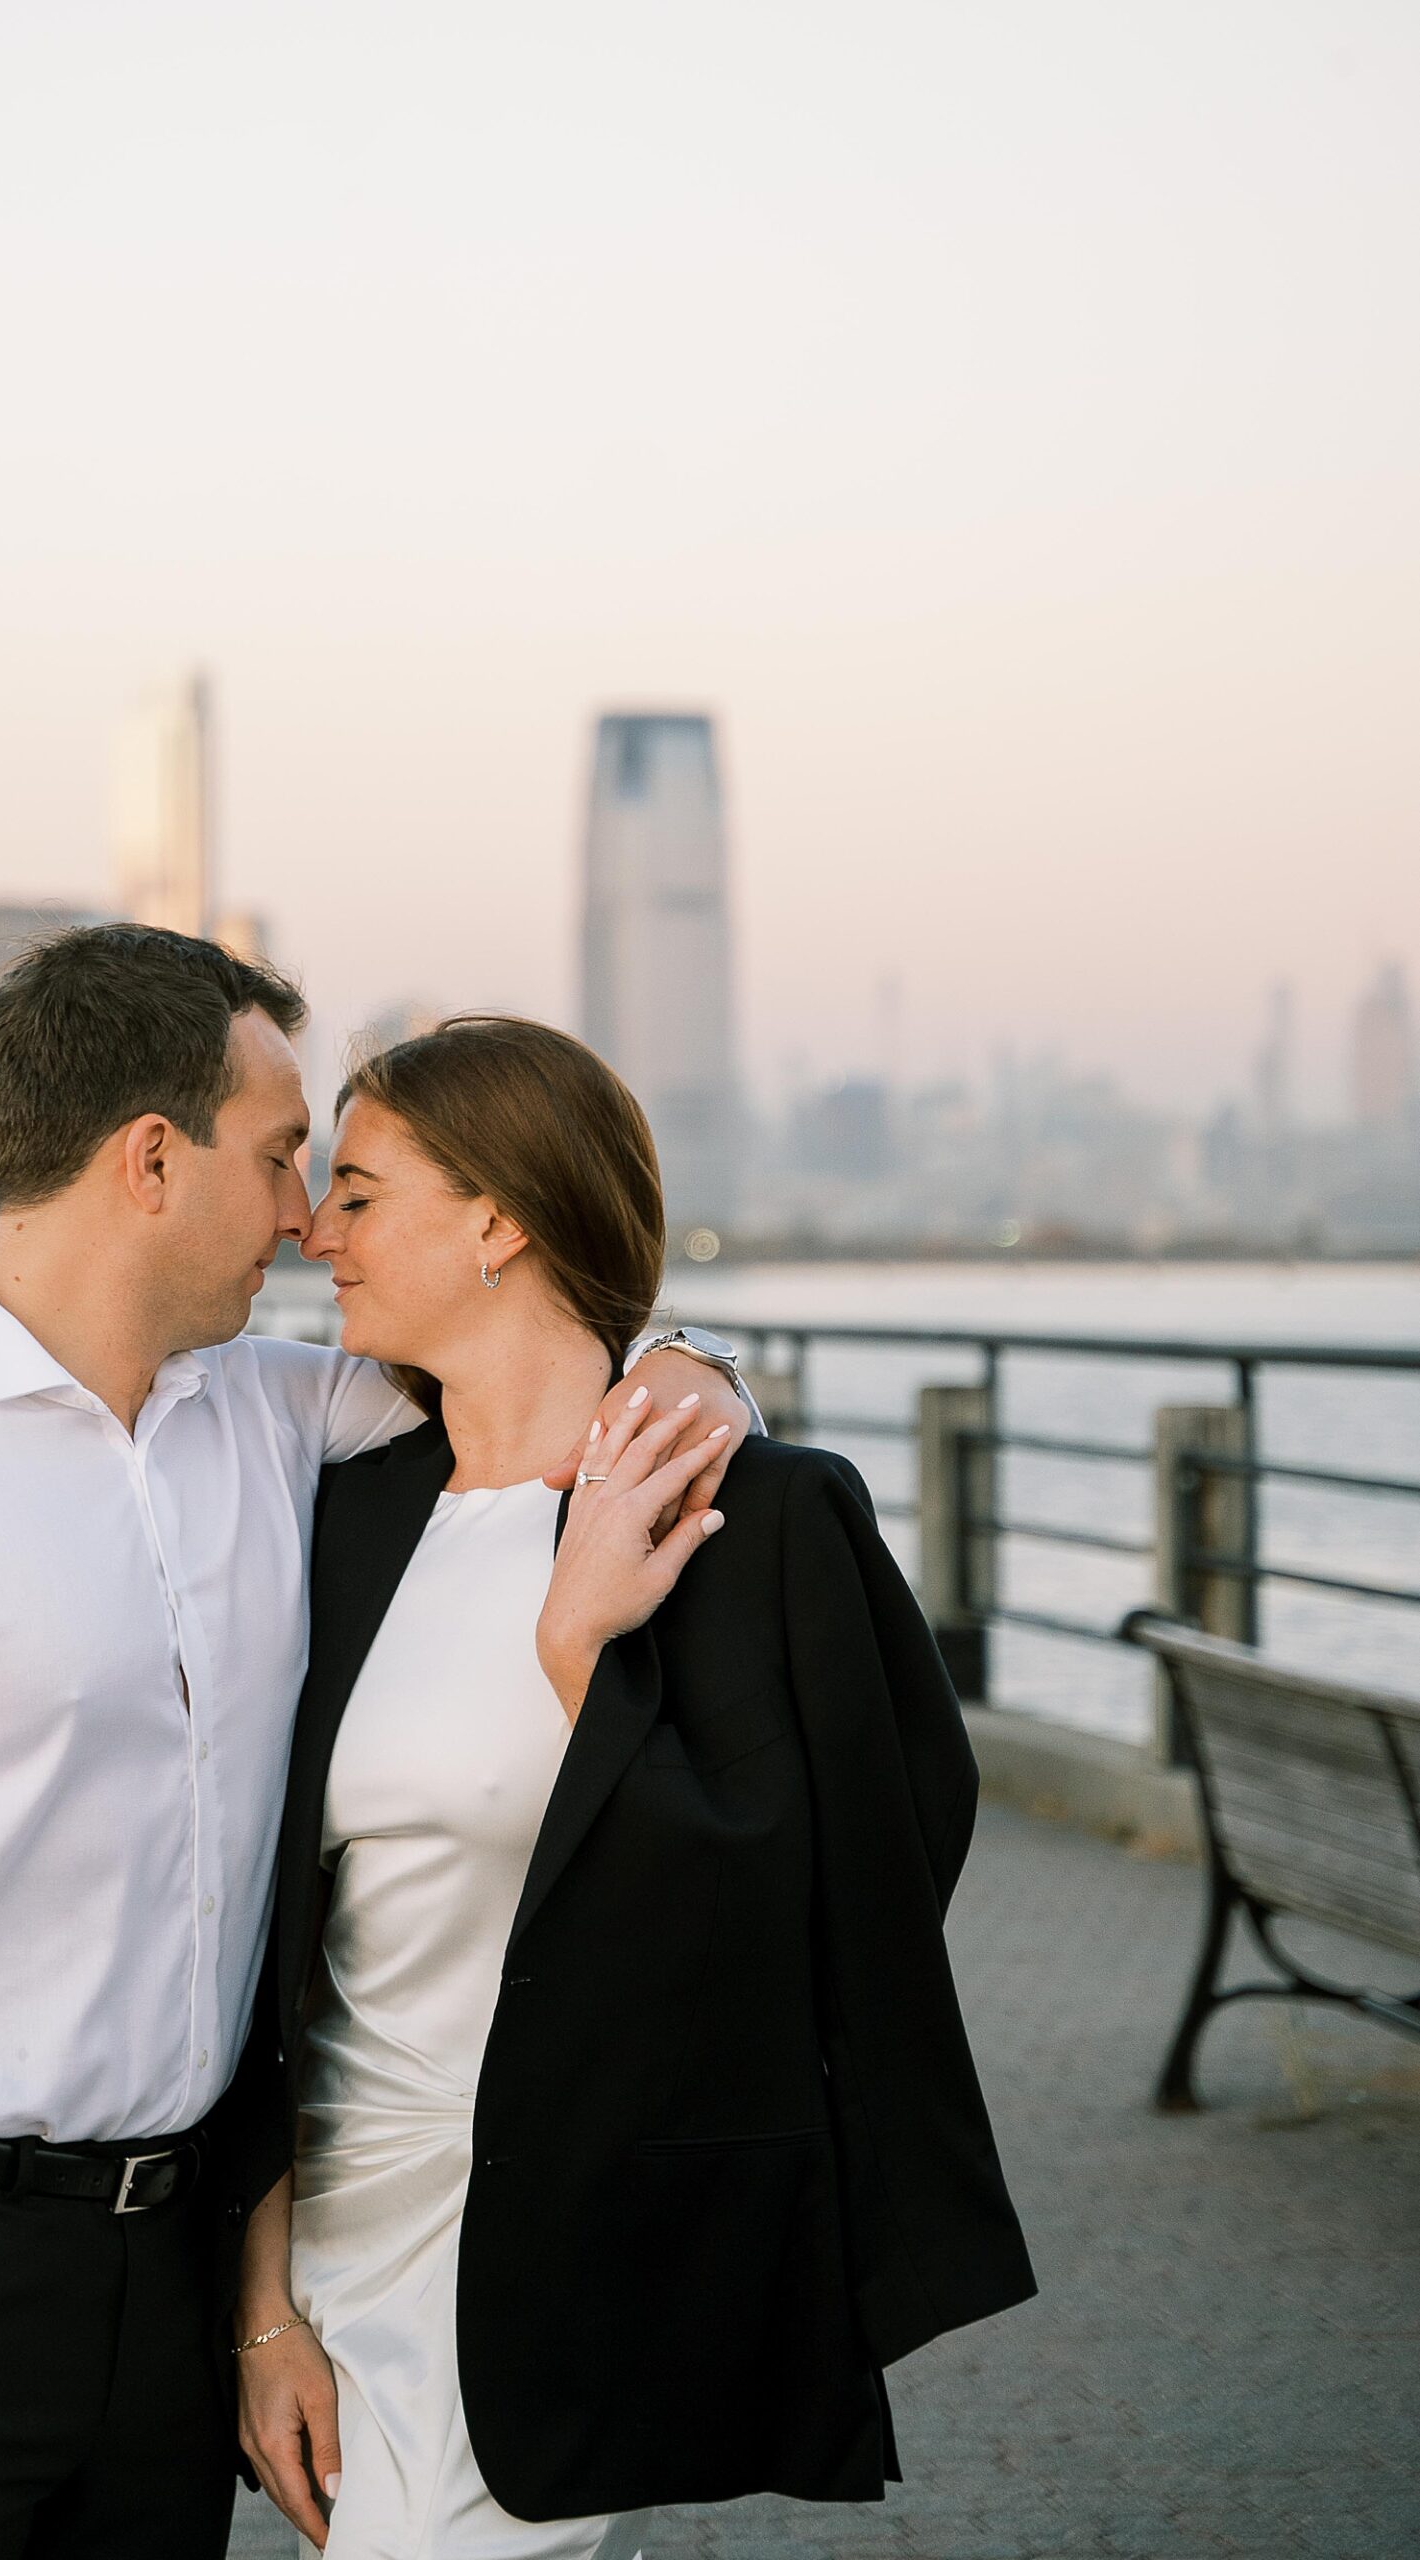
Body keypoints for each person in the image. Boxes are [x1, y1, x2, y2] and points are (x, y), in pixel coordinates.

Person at [0, 930, 752, 2560]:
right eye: (276, 1159)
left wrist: (702, 1373)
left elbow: (549, 1366)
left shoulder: (286, 1417)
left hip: (173, 2274)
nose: (301, 1217)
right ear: (148, 1161)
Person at [234, 1016, 1036, 2558]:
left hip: (565, 2233)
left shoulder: (765, 1521)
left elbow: (830, 1900)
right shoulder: (332, 1513)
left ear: (498, 1218)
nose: (312, 1231)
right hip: (331, 2235)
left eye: (358, 1190)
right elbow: (276, 1956)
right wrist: (262, 2308)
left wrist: (575, 1647)